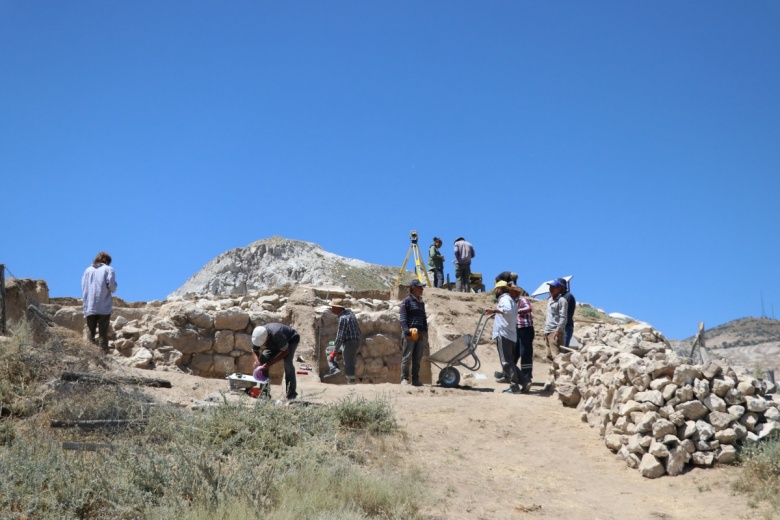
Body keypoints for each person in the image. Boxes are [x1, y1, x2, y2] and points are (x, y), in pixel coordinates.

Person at [486, 281, 527, 394]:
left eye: (496, 289)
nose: (495, 291)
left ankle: (514, 387)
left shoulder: (504, 299)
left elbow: (506, 310)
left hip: (503, 334)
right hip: (510, 334)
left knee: (506, 363)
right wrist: (495, 314)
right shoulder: (511, 300)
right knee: (510, 362)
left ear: (499, 289)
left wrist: (494, 310)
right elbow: (507, 315)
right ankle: (524, 381)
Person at [251, 323, 301, 400]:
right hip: (274, 343)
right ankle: (265, 393)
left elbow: (285, 352)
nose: (262, 345)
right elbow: (254, 350)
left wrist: (269, 364)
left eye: (263, 344)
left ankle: (291, 395)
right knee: (262, 363)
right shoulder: (258, 335)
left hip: (290, 339)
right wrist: (257, 361)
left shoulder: (276, 333)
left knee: (288, 363)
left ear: (267, 337)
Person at [81, 252, 117, 351]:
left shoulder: (87, 270)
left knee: (90, 332)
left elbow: (83, 286)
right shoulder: (109, 269)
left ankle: (88, 353)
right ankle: (103, 354)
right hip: (103, 305)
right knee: (103, 333)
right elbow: (112, 287)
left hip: (90, 305)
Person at [399, 279, 428, 386]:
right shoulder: (406, 301)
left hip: (420, 334)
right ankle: (404, 379)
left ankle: (415, 380)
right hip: (410, 333)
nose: (422, 289)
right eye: (420, 287)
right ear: (413, 288)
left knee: (417, 358)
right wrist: (407, 332)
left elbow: (424, 318)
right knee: (407, 357)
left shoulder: (421, 302)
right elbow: (402, 319)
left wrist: (425, 330)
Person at [327, 298, 361, 385]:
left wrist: (335, 351)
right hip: (354, 343)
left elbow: (340, 336)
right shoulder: (351, 315)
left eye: (333, 307)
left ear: (338, 308)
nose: (331, 309)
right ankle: (334, 369)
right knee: (329, 349)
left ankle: (351, 384)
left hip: (349, 343)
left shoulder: (343, 318)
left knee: (348, 364)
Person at [509, 283, 535, 387]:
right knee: (515, 352)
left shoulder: (522, 300)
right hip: (517, 329)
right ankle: (513, 374)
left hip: (525, 329)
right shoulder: (512, 302)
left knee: (525, 353)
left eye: (511, 291)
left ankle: (527, 375)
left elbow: (529, 308)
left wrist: (516, 311)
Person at [543, 279, 569, 360]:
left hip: (555, 332)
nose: (551, 289)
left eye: (554, 287)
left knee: (557, 356)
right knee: (549, 356)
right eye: (550, 287)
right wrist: (545, 331)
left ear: (559, 289)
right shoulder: (550, 300)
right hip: (548, 331)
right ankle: (554, 372)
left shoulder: (562, 300)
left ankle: (561, 372)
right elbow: (549, 317)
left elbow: (563, 317)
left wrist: (558, 330)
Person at [557, 277, 576, 348]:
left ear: (563, 287)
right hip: (561, 327)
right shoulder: (561, 297)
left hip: (566, 326)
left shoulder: (568, 296)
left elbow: (563, 312)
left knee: (564, 348)